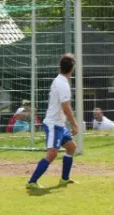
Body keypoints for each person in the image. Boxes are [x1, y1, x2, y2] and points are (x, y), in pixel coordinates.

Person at [26, 54, 80, 189]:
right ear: (72, 68)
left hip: (59, 125)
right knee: (52, 153)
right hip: (53, 125)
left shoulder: (60, 80)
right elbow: (66, 107)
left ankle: (64, 179)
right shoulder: (62, 83)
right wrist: (74, 123)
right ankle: (31, 182)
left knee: (71, 147)